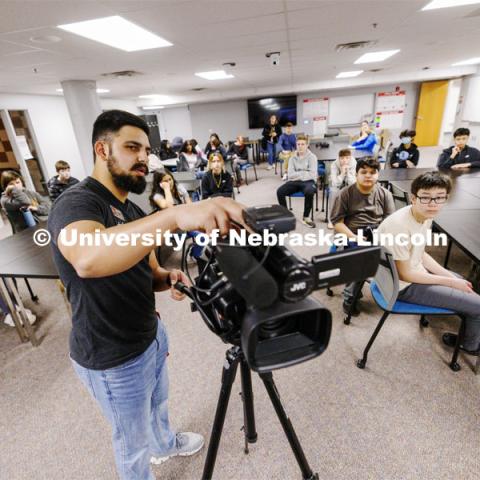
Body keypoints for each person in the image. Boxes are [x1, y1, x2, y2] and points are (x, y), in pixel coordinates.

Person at [47, 110, 246, 480]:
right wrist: (173, 216)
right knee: (130, 441)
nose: (143, 157)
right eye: (131, 147)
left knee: (158, 404)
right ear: (102, 149)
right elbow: (88, 258)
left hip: (148, 335)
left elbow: (146, 268)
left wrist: (163, 277)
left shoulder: (132, 208)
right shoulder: (77, 203)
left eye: (146, 149)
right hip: (110, 355)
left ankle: (165, 445)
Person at [376, 171, 480, 355]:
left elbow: (420, 253)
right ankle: (470, 346)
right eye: (426, 198)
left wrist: (448, 275)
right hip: (402, 286)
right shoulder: (399, 226)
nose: (433, 204)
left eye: (439, 198)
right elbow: (405, 274)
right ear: (413, 198)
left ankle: (470, 324)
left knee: (461, 281)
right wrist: (450, 282)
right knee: (477, 304)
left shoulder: (425, 216)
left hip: (414, 272)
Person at [330, 157, 395, 315]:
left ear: (378, 175)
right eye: (363, 172)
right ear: (356, 173)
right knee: (362, 258)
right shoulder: (345, 194)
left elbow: (391, 220)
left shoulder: (385, 194)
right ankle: (349, 297)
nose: (368, 175)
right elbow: (337, 222)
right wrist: (354, 237)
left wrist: (380, 236)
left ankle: (389, 289)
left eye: (372, 172)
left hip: (377, 233)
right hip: (350, 234)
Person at [276, 135, 317, 228]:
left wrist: (298, 173)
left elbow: (312, 175)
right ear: (296, 145)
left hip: (308, 182)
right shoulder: (292, 158)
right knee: (280, 191)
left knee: (310, 192)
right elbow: (290, 175)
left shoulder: (312, 157)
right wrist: (304, 172)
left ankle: (306, 217)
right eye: (298, 144)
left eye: (302, 144)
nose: (300, 146)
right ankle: (286, 215)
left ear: (307, 145)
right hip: (294, 182)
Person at [327, 148, 357, 229]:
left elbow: (353, 183)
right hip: (337, 185)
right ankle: (331, 219)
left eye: (347, 158)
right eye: (342, 158)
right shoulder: (334, 164)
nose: (344, 160)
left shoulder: (353, 163)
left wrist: (348, 174)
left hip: (348, 184)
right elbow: (335, 183)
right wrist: (342, 173)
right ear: (339, 158)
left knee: (355, 190)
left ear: (350, 158)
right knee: (333, 191)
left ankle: (350, 218)